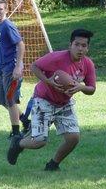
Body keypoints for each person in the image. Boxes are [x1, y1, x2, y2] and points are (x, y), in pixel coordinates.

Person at [7, 29, 96, 171]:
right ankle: (18, 143)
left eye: (84, 45)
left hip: (64, 104)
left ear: (87, 48)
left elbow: (92, 89)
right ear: (70, 45)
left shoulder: (88, 64)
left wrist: (80, 87)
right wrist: (49, 81)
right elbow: (34, 66)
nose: (80, 49)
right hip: (43, 100)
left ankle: (53, 165)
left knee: (73, 138)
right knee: (39, 141)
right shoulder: (57, 58)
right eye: (77, 44)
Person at [0, 0, 29, 138]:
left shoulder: (8, 26)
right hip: (0, 67)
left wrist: (18, 66)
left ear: (6, 10)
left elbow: (21, 45)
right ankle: (26, 121)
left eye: (1, 9)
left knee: (10, 99)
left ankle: (16, 133)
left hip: (11, 68)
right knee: (3, 101)